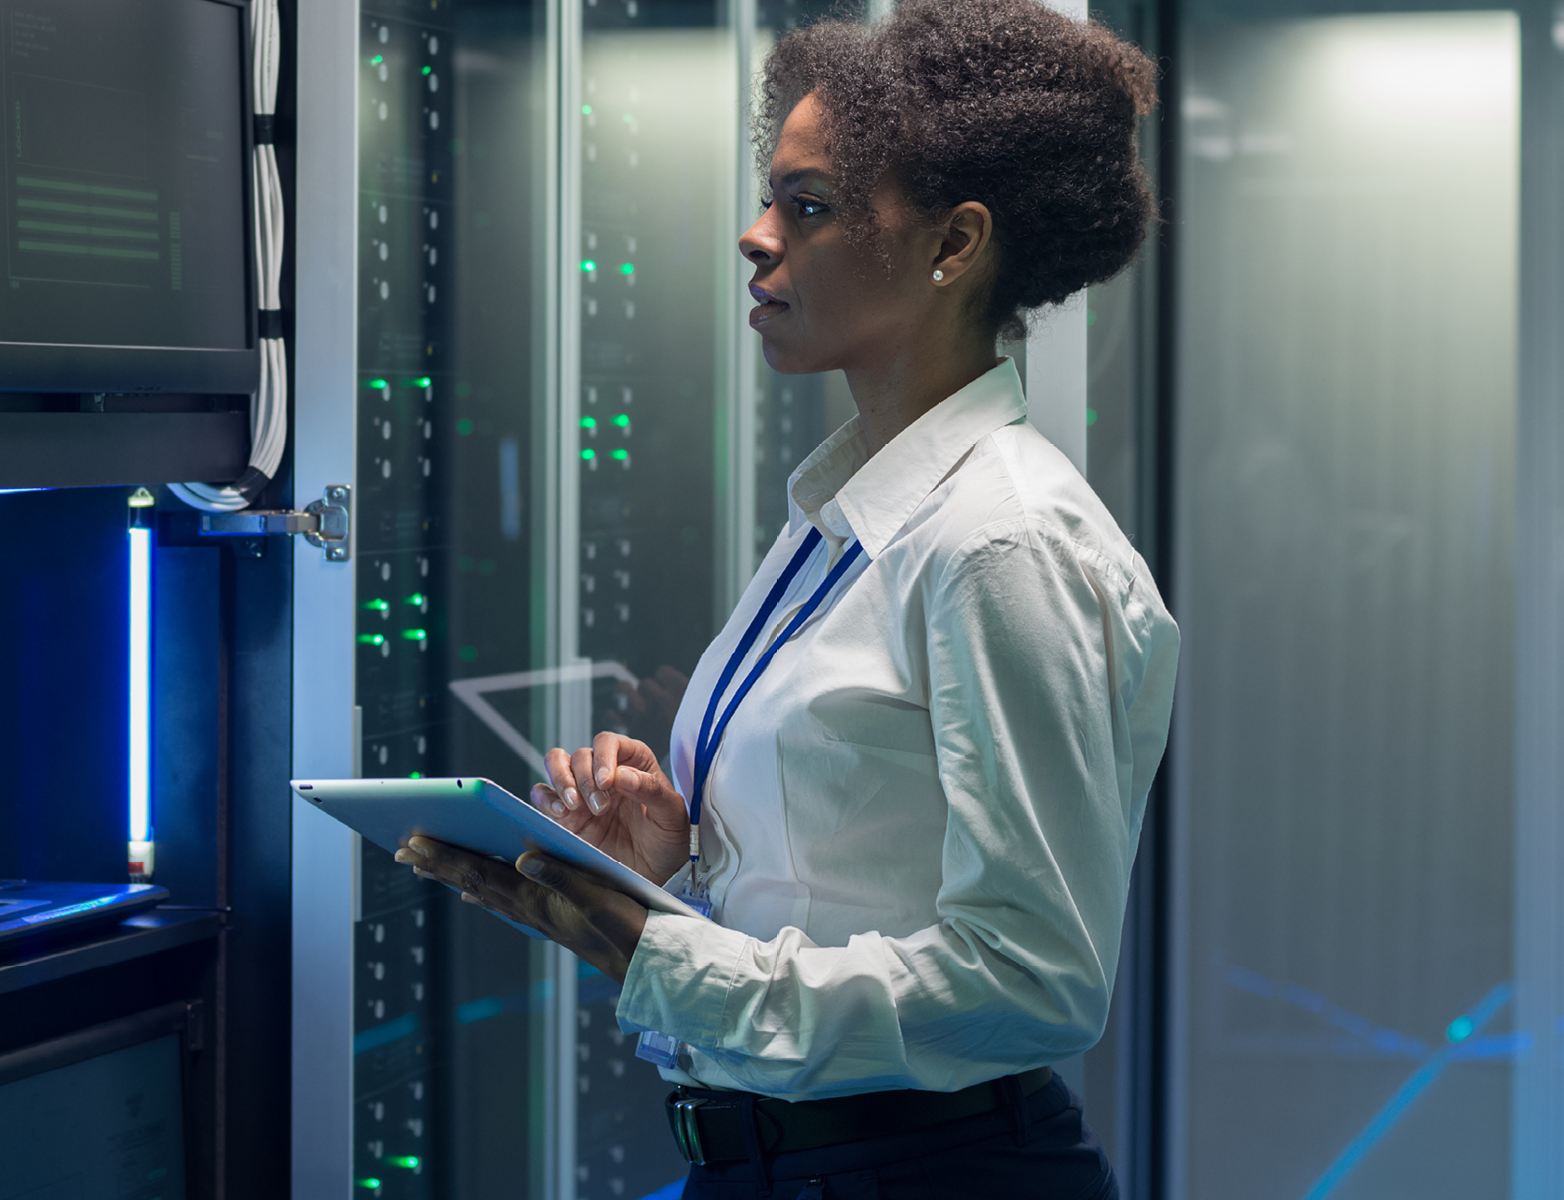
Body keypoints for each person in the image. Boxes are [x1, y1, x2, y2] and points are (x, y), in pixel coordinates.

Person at [395, 0, 1177, 1194]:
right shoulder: (851, 510)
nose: (757, 238)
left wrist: (667, 953)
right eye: (772, 199)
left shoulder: (1000, 542)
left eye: (807, 209)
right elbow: (849, 872)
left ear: (954, 247)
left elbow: (1032, 981)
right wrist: (674, 864)